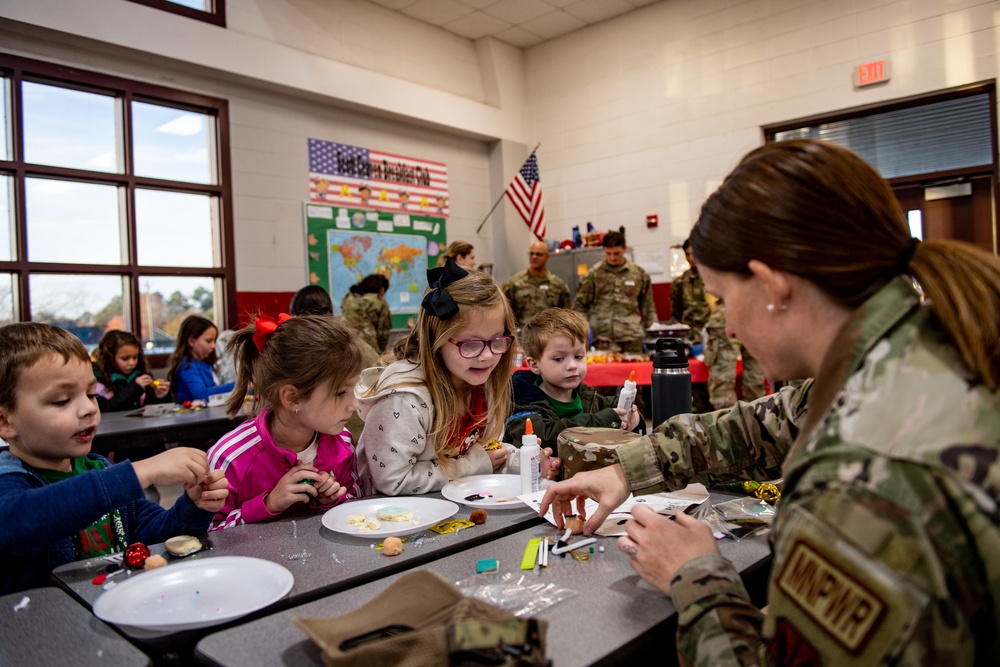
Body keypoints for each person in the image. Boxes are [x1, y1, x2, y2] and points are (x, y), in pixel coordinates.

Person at [540, 139, 1000, 665]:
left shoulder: (864, 473)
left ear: (773, 286)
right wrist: (628, 468)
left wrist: (695, 576)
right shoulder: (920, 349)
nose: (729, 325)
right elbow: (772, 419)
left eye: (724, 298)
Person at [0, 322, 229, 594]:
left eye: (91, 394)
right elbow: (17, 524)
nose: (88, 408)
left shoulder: (99, 467)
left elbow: (156, 533)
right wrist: (138, 472)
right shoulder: (9, 482)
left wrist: (194, 505)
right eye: (62, 400)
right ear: (5, 421)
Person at [356, 261, 559, 496]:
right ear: (436, 340)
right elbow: (394, 482)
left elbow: (484, 450)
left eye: (497, 341)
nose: (486, 356)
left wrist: (524, 463)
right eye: (471, 344)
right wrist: (477, 463)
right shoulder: (403, 399)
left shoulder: (480, 382)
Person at [206, 314, 363, 530]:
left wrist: (330, 501)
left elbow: (357, 510)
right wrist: (268, 504)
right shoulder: (230, 458)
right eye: (341, 393)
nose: (354, 404)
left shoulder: (342, 441)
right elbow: (207, 536)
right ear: (292, 398)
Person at [505, 308, 642, 450]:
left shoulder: (588, 397)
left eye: (578, 357)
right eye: (559, 359)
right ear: (534, 365)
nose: (572, 366)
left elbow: (615, 406)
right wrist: (600, 422)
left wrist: (634, 417)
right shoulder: (523, 406)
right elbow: (548, 436)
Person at [572, 230, 658, 353]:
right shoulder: (594, 274)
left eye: (617, 253)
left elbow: (648, 308)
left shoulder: (638, 274)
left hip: (632, 338)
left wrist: (654, 336)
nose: (612, 258)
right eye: (609, 253)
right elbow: (579, 306)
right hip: (602, 339)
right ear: (604, 250)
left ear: (625, 249)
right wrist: (585, 329)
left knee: (635, 372)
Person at [704, 300, 767, 409]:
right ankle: (732, 422)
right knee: (725, 385)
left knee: (754, 382)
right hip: (749, 310)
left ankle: (750, 421)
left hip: (741, 312)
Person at [92, 330, 172, 412]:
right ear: (109, 357)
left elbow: (150, 410)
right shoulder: (97, 381)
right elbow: (103, 409)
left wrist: (159, 396)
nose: (132, 363)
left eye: (135, 357)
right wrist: (135, 388)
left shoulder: (140, 375)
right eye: (125, 358)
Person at [167, 315, 236, 403]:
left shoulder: (205, 362)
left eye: (214, 340)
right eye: (208, 341)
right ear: (191, 341)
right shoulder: (186, 365)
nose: (213, 345)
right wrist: (237, 386)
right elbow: (201, 394)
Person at [502, 241, 571, 326]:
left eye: (539, 254)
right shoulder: (514, 283)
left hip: (549, 335)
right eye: (531, 254)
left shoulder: (558, 285)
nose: (534, 257)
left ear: (547, 257)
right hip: (522, 335)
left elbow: (567, 316)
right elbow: (505, 313)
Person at [668, 239, 710, 345]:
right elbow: (675, 314)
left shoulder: (713, 279)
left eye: (694, 254)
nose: (691, 258)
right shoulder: (680, 282)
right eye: (687, 254)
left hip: (710, 335)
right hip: (688, 337)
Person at [341, 274, 392, 353]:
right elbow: (383, 332)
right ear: (382, 290)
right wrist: (381, 351)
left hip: (347, 348)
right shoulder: (379, 301)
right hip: (369, 349)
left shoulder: (348, 298)